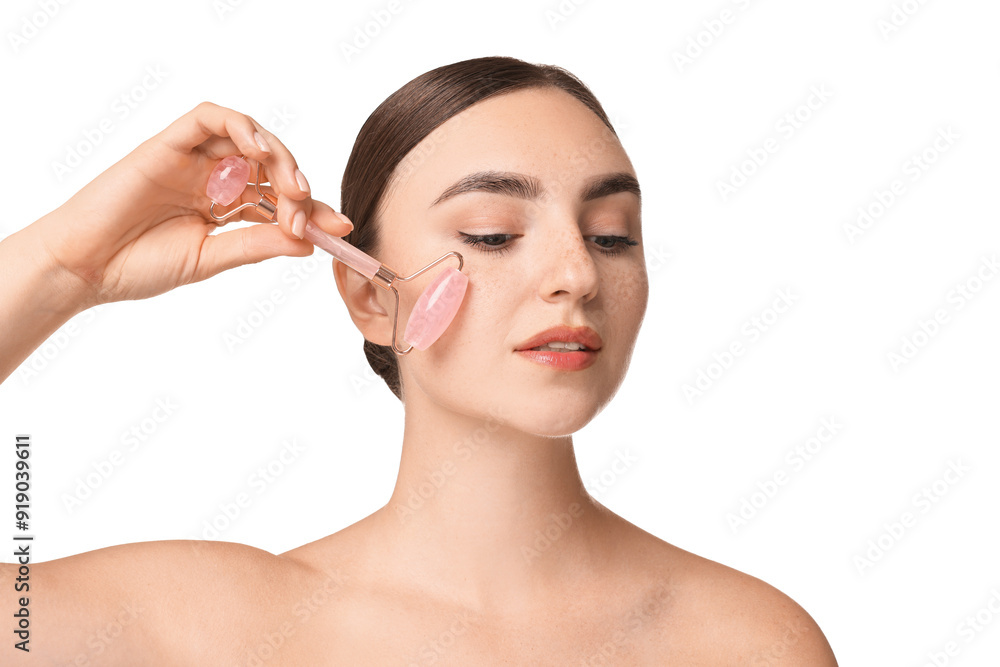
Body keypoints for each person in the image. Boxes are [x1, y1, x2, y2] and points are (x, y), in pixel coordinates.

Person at [1, 56, 838, 665]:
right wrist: (63, 267)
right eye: (493, 235)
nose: (578, 275)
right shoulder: (211, 628)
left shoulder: (749, 642)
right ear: (371, 296)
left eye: (611, 233)